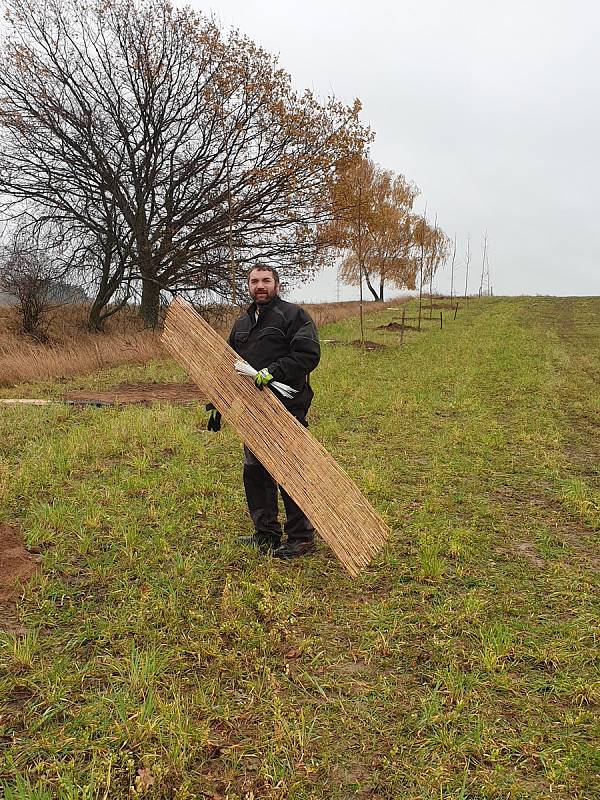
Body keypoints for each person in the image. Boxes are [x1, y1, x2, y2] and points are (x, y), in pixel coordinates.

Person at [208, 263, 320, 558]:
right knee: (255, 471)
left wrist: (274, 371)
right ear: (248, 286)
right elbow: (229, 365)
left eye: (266, 280)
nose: (260, 285)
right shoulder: (242, 323)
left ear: (276, 284)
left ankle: (302, 536)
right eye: (255, 281)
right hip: (251, 412)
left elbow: (308, 355)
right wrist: (218, 403)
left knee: (290, 471)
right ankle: (266, 533)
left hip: (285, 408)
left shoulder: (294, 316)